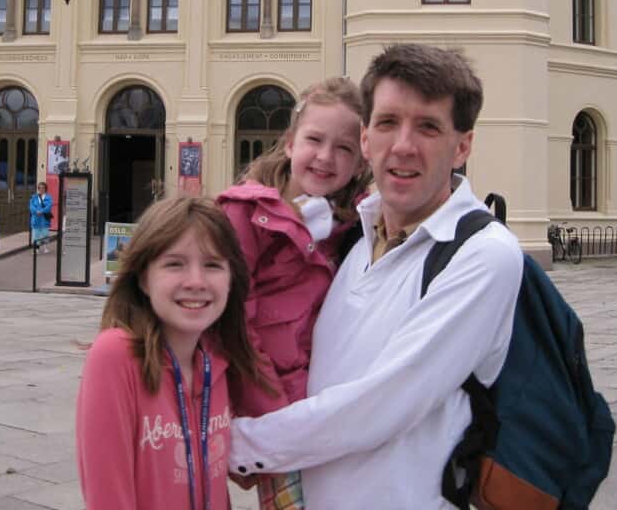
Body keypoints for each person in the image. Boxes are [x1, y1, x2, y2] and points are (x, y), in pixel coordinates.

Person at [229, 44, 525, 509]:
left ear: (462, 145)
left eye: (428, 126)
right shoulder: (353, 236)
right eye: (387, 123)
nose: (403, 145)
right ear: (367, 140)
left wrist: (236, 444)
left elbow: (384, 403)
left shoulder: (483, 254)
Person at [217, 77, 371, 510]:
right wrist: (273, 417)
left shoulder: (351, 225)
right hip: (278, 409)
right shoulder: (247, 213)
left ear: (360, 162)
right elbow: (234, 321)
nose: (325, 157)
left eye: (344, 148)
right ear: (289, 144)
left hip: (321, 409)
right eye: (315, 140)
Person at [76, 197, 267, 510]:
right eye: (174, 264)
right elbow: (108, 497)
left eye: (213, 265)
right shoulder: (115, 356)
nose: (196, 282)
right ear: (143, 278)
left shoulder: (216, 362)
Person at [29, 182, 53, 253]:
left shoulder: (48, 197)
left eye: (43, 188)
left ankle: (46, 248)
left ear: (45, 189)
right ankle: (37, 248)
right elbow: (31, 206)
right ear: (38, 189)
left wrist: (41, 211)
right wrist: (36, 211)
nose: (41, 189)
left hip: (44, 219)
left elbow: (49, 206)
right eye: (40, 188)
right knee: (36, 234)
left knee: (45, 233)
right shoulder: (34, 197)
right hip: (36, 218)